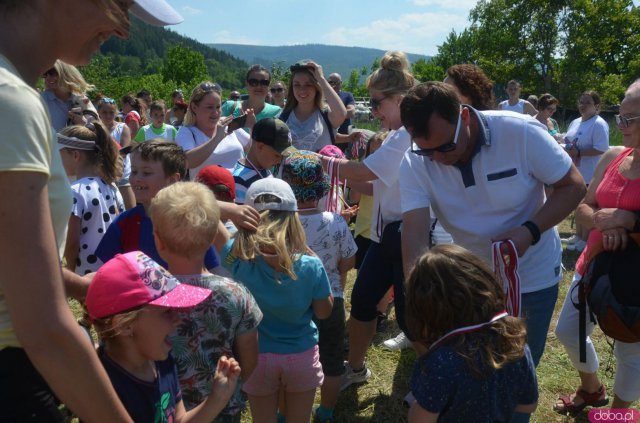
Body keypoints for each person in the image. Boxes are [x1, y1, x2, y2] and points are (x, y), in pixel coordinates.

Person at [0, 0, 183, 420]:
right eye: (118, 5)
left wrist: (78, 286)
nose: (123, 31)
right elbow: (44, 329)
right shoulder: (12, 100)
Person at [398, 81, 586, 422]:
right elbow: (412, 233)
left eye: (446, 146)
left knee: (514, 375)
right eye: (428, 151)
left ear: (466, 117)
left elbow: (573, 186)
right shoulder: (414, 161)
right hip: (468, 288)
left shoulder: (520, 132)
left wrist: (528, 232)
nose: (438, 159)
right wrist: (418, 296)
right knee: (464, 378)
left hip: (531, 275)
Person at [315, 51, 416, 390]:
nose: (372, 111)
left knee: (410, 316)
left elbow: (362, 171)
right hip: (386, 236)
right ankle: (355, 368)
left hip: (407, 238)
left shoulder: (405, 136)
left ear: (399, 99)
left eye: (376, 103)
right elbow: (373, 184)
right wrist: (335, 178)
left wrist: (315, 161)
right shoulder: (399, 134)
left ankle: (430, 382)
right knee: (362, 301)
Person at [554, 80, 640, 415]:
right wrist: (605, 221)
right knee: (567, 332)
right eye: (621, 116)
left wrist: (629, 221)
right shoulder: (614, 156)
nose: (621, 126)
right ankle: (592, 390)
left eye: (630, 119)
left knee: (630, 352)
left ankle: (618, 415)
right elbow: (583, 208)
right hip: (592, 265)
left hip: (634, 278)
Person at [220, 178, 333, 423]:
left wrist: (228, 209)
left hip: (257, 355)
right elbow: (324, 312)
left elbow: (200, 207)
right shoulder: (311, 265)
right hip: (301, 354)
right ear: (294, 219)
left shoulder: (237, 258)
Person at [149, 182, 262, 422]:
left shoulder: (147, 295)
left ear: (158, 241)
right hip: (225, 406)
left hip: (163, 409)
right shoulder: (237, 293)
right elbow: (250, 359)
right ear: (213, 237)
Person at [85, 250, 241, 422]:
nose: (177, 319)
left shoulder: (162, 362)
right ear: (125, 324)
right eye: (167, 311)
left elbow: (178, 419)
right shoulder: (104, 390)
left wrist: (217, 399)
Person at [405, 244, 538, 422]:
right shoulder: (514, 343)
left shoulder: (439, 363)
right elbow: (528, 405)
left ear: (425, 310)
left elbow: (420, 420)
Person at [281, 151, 357, 423]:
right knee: (332, 359)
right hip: (331, 298)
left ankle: (283, 411)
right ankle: (325, 412)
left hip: (289, 302)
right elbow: (349, 261)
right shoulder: (335, 220)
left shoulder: (280, 224)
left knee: (287, 358)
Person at [96, 140, 220, 271]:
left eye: (147, 172)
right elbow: (104, 271)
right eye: (134, 171)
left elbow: (212, 270)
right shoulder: (124, 223)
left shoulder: (190, 222)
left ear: (172, 180)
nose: (137, 178)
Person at [59, 123, 124, 275]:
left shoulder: (75, 191)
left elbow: (72, 242)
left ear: (75, 155)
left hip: (88, 275)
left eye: (59, 155)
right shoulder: (111, 186)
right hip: (114, 270)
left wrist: (71, 271)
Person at [561, 90, 610, 252]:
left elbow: (602, 148)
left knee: (587, 206)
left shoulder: (599, 123)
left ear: (596, 106)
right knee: (578, 205)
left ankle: (585, 239)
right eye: (581, 102)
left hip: (591, 172)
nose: (583, 105)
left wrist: (579, 153)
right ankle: (578, 235)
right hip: (576, 171)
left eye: (587, 102)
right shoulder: (575, 121)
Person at [176, 81, 251, 174]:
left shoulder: (227, 123)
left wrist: (252, 127)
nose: (215, 112)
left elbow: (254, 151)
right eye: (210, 107)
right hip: (206, 188)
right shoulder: (186, 131)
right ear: (194, 107)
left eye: (218, 107)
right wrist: (216, 139)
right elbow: (187, 162)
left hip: (240, 187)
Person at [280, 60, 347, 152]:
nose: (302, 89)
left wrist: (321, 78)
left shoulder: (325, 114)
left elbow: (342, 113)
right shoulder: (283, 116)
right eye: (297, 85)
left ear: (316, 87)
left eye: (308, 84)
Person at [232, 117, 293, 204]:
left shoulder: (264, 169)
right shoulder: (240, 180)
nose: (279, 161)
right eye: (276, 155)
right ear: (260, 146)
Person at [97, 96, 136, 209]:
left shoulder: (123, 128)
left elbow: (124, 151)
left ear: (116, 113)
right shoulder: (95, 128)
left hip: (122, 174)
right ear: (99, 112)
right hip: (102, 175)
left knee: (131, 211)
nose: (108, 116)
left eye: (111, 112)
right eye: (105, 112)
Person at [41, 60, 98, 132]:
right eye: (45, 73)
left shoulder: (81, 100)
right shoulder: (41, 100)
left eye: (52, 73)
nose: (48, 77)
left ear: (65, 74)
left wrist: (83, 124)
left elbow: (99, 133)